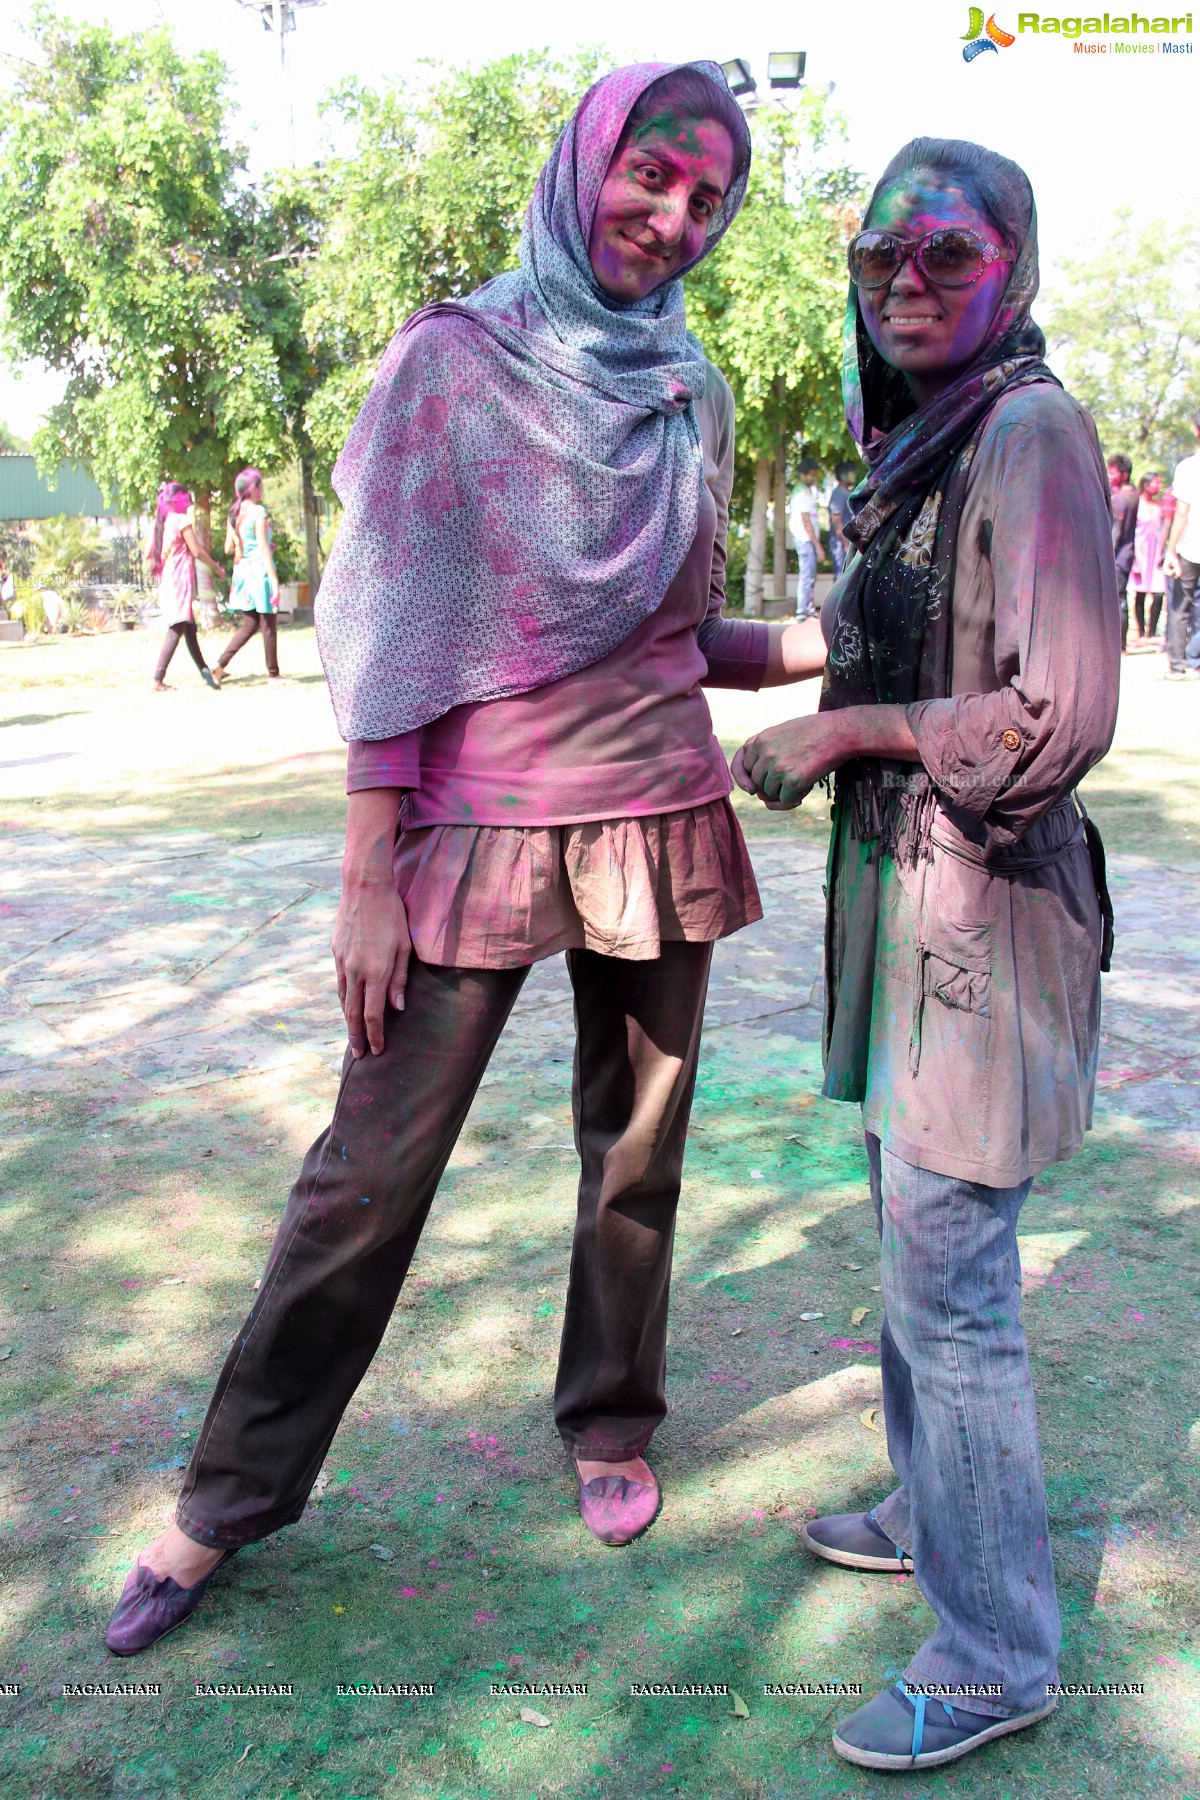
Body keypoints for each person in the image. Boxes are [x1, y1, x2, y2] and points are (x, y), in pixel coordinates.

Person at [106, 59, 818, 1659]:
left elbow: (675, 630)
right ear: (584, 162)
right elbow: (398, 619)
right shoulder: (455, 358)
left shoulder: (685, 388)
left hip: (653, 806)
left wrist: (824, 643)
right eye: (652, 174)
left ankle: (611, 1418)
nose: (673, 216)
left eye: (708, 198)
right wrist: (369, 867)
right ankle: (223, 1502)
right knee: (365, 1177)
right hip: (469, 828)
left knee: (635, 1151)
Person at [734, 137, 1118, 1771]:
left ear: (1014, 276)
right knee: (911, 1243)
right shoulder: (921, 450)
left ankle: (996, 1651)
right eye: (881, 256)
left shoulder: (1027, 434)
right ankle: (924, 1512)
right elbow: (866, 634)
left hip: (987, 931)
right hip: (910, 921)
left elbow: (1059, 713)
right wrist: (700, 644)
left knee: (953, 1291)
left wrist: (846, 741)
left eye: (945, 258)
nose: (903, 282)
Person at [149, 483, 224, 691]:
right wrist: (216, 567)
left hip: (169, 579)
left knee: (189, 628)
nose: (189, 502)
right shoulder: (181, 521)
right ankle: (157, 678)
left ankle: (205, 671)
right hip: (180, 580)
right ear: (178, 500)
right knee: (177, 627)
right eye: (186, 498)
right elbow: (196, 550)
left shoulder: (163, 522)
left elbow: (149, 551)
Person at [213, 467, 282, 685]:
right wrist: (274, 579)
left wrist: (248, 544)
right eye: (259, 485)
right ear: (253, 488)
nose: (261, 489)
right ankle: (274, 674)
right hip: (258, 571)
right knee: (268, 623)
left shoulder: (234, 514)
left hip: (242, 571)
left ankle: (218, 667)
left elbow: (228, 548)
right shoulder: (258, 512)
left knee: (250, 624)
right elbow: (262, 548)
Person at [1164, 412, 1200, 678]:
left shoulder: (1189, 467)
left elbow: (1182, 513)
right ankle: (1196, 662)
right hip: (1189, 548)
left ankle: (1178, 666)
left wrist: (1170, 550)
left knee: (1179, 607)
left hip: (1189, 547)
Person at [1127, 471, 1167, 646]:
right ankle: (1141, 632)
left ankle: (1152, 631)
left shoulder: (1159, 506)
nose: (1158, 486)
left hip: (1156, 554)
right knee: (1140, 593)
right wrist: (1133, 558)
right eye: (1155, 483)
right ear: (1146, 484)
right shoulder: (1137, 504)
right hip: (1140, 553)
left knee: (1159, 593)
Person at [1108, 452, 1138, 654]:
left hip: (1118, 557)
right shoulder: (1133, 493)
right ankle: (1122, 644)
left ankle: (1119, 645)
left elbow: (1115, 533)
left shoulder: (1121, 499)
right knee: (1122, 599)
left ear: (1124, 474)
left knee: (1118, 601)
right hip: (1127, 555)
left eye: (1112, 472)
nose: (1109, 476)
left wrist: (1107, 556)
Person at [788, 457, 823, 618]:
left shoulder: (804, 490)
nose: (813, 478)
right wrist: (818, 546)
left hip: (805, 540)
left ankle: (807, 608)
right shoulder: (802, 492)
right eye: (811, 474)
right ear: (802, 474)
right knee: (807, 575)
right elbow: (806, 521)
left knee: (809, 575)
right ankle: (803, 611)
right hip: (805, 539)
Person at [827, 460, 856, 579]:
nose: (854, 475)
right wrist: (845, 544)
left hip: (845, 542)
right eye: (851, 472)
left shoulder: (846, 493)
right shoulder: (838, 493)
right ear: (844, 475)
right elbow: (836, 520)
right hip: (840, 543)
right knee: (841, 577)